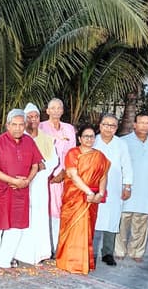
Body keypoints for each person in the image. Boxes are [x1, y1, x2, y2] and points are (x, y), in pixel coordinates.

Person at [0, 109, 42, 275]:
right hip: (1, 192)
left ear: (25, 125)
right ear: (7, 125)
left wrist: (27, 181)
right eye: (14, 125)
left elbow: (36, 165)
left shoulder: (29, 141)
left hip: (21, 193)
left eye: (21, 125)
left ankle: (4, 262)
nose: (18, 128)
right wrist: (13, 181)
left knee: (16, 229)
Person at [55, 124, 110, 274]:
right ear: (79, 138)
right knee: (74, 229)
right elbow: (73, 175)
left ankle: (84, 263)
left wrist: (100, 193)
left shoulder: (100, 156)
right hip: (75, 196)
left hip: (92, 198)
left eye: (91, 136)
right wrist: (88, 192)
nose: (89, 139)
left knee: (87, 229)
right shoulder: (73, 153)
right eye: (86, 136)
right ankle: (69, 262)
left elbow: (103, 176)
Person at [14, 103, 58, 265]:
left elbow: (54, 160)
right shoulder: (19, 137)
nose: (33, 119)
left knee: (39, 217)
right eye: (30, 117)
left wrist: (42, 167)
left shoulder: (46, 139)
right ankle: (18, 253)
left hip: (40, 183)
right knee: (22, 216)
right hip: (21, 182)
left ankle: (39, 253)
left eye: (36, 116)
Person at [115, 113, 148, 262]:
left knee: (141, 223)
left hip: (147, 190)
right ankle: (119, 250)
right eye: (141, 122)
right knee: (122, 221)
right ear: (134, 124)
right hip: (127, 189)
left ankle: (136, 252)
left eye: (147, 123)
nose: (144, 126)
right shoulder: (123, 142)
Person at [93, 114, 133, 266]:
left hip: (115, 186)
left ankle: (107, 253)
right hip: (94, 186)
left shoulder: (121, 144)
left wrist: (127, 185)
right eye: (105, 124)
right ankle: (89, 252)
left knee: (112, 219)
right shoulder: (93, 140)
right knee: (93, 218)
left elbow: (127, 165)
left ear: (116, 128)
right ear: (100, 125)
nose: (108, 128)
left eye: (112, 125)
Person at [39, 98, 76, 253]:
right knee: (45, 210)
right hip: (44, 175)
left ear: (62, 111)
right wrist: (47, 173)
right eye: (52, 108)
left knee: (59, 211)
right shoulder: (40, 127)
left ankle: (57, 247)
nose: (56, 110)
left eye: (59, 108)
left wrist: (64, 172)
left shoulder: (69, 128)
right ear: (47, 111)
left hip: (63, 175)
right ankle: (44, 247)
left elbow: (72, 153)